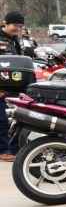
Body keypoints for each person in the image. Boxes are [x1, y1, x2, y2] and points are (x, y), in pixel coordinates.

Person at [0, 11, 37, 161]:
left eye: (21, 26)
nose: (18, 28)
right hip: (2, 86)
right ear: (5, 23)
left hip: (13, 85)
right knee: (1, 119)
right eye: (15, 25)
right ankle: (4, 151)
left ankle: (15, 148)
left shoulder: (15, 40)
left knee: (22, 115)